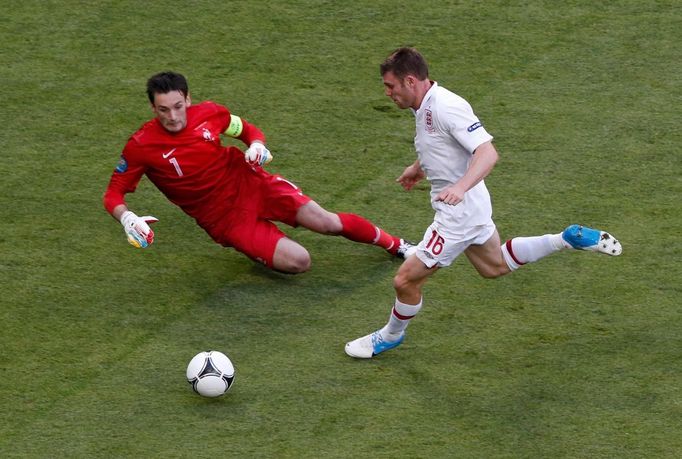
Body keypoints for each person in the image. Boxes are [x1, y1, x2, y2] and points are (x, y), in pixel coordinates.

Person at [345, 47, 622, 358]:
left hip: (458, 214)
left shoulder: (446, 107)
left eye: (390, 86)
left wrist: (460, 187)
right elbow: (444, 145)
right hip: (473, 206)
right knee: (495, 267)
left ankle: (390, 335)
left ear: (410, 81)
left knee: (405, 279)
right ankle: (566, 239)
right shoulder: (423, 104)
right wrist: (420, 167)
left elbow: (487, 153)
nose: (387, 93)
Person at [103, 71, 414, 273]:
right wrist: (126, 218)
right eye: (163, 110)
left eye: (177, 106)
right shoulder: (141, 145)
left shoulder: (211, 113)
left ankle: (397, 245)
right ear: (153, 109)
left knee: (327, 223)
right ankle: (256, 246)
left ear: (188, 99)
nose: (173, 116)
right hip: (223, 218)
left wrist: (257, 145)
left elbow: (246, 129)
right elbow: (113, 194)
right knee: (300, 262)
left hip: (252, 184)